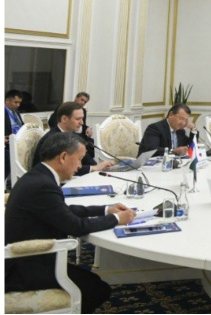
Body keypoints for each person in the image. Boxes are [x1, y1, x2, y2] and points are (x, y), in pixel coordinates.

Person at [5, 132, 136, 313]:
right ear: (64, 157)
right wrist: (117, 219)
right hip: (24, 266)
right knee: (97, 290)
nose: (81, 166)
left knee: (95, 282)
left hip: (29, 259)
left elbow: (62, 211)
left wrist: (106, 209)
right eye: (80, 159)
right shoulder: (42, 185)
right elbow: (75, 227)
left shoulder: (39, 176)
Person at [32, 102, 113, 176]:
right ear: (64, 119)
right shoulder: (52, 139)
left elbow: (85, 158)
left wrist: (99, 167)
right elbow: (60, 168)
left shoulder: (72, 135)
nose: (82, 123)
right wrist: (93, 168)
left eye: (82, 118)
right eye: (78, 119)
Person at [5, 90, 24, 181]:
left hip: (18, 140)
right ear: (7, 100)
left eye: (19, 102)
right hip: (7, 143)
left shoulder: (16, 112)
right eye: (15, 102)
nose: (18, 105)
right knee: (10, 157)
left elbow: (21, 125)